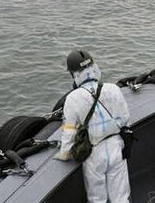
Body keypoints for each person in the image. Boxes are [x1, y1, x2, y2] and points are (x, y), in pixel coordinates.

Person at [55, 49, 131, 203]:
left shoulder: (72, 99)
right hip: (117, 148)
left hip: (94, 153)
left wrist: (64, 154)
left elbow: (69, 132)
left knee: (97, 199)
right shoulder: (114, 89)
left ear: (74, 74)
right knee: (121, 197)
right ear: (94, 67)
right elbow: (125, 119)